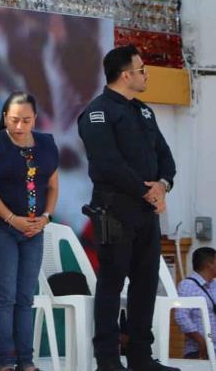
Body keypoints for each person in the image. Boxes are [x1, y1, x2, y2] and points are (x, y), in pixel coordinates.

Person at [78, 44, 177, 371]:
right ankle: (107, 360)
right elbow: (107, 163)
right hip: (115, 210)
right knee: (111, 284)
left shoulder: (144, 111)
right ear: (125, 75)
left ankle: (140, 357)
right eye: (142, 69)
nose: (146, 74)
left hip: (147, 215)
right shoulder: (98, 112)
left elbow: (165, 156)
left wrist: (163, 185)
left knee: (146, 284)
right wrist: (144, 191)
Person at [0, 92, 59, 371]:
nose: (20, 126)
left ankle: (27, 361)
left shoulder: (47, 144)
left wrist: (46, 218)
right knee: (6, 296)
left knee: (26, 296)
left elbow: (53, 186)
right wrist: (12, 219)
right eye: (13, 120)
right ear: (4, 118)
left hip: (34, 230)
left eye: (25, 120)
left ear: (35, 118)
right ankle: (7, 362)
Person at [175, 247, 216, 359]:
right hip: (199, 351)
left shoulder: (213, 285)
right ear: (209, 264)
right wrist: (202, 342)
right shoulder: (188, 285)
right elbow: (181, 317)